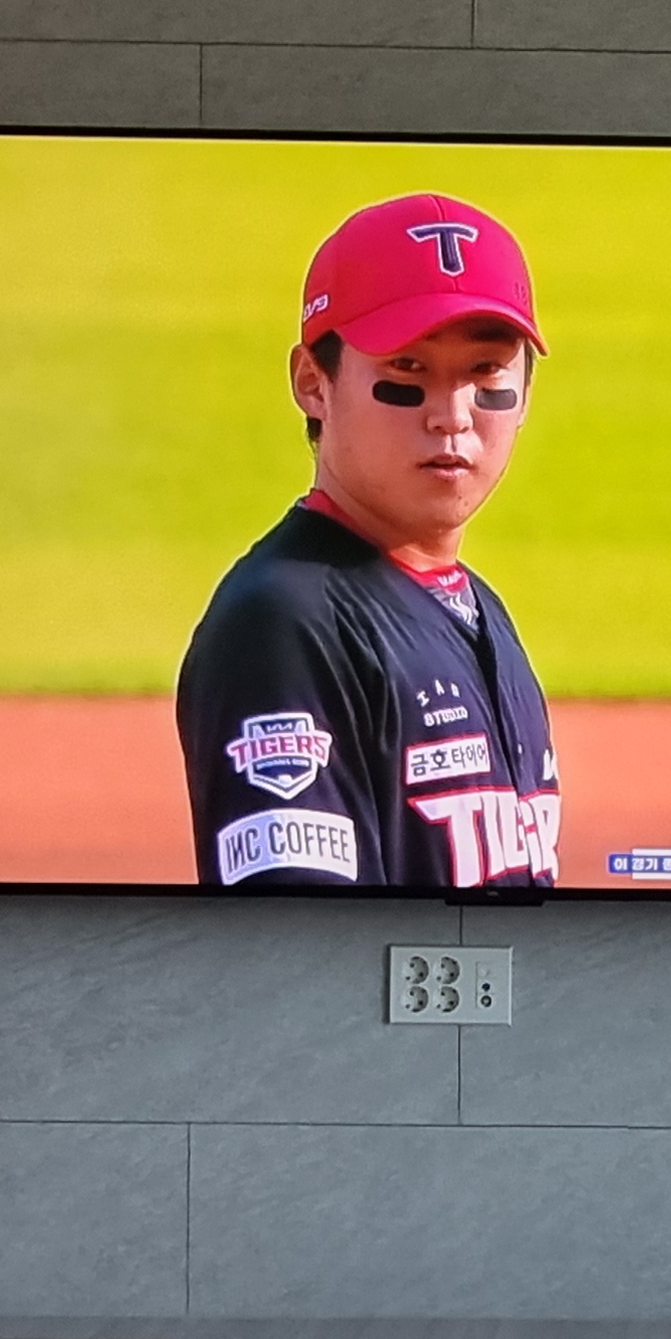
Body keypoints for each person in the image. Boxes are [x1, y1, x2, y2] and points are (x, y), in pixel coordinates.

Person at [176, 193, 563, 890]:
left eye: (486, 374)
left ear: (526, 395)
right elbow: (304, 942)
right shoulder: (287, 624)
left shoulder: (475, 608)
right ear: (312, 384)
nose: (452, 416)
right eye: (406, 373)